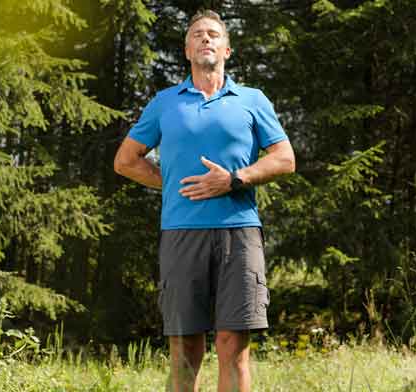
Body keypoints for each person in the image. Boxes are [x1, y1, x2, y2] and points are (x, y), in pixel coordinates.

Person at [113, 9, 295, 392]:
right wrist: (173, 183)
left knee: (234, 347)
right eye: (197, 35)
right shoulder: (165, 103)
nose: (206, 39)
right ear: (186, 50)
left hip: (240, 234)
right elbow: (126, 161)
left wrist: (233, 180)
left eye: (213, 34)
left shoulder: (252, 100)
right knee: (184, 350)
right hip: (181, 234)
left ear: (228, 49)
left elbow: (284, 158)